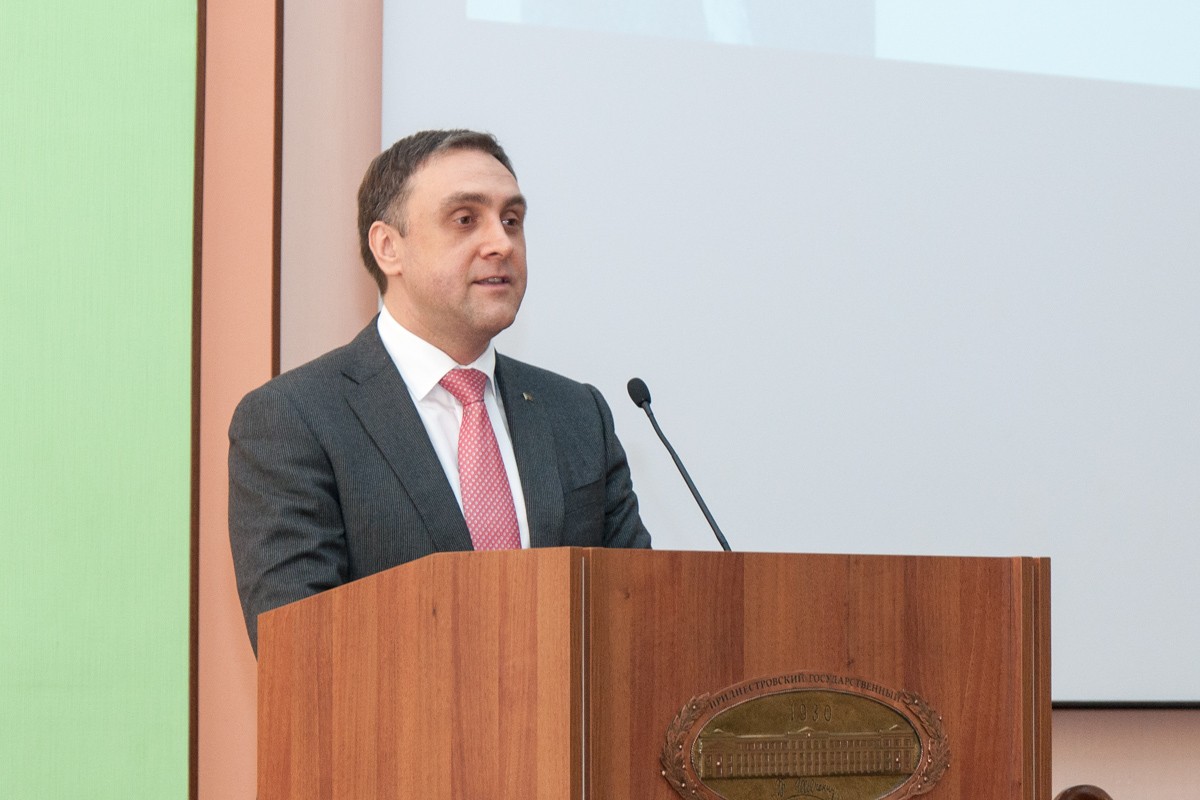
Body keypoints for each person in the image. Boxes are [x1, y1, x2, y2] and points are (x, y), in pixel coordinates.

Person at [228, 129, 651, 652]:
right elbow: (301, 655)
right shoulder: (294, 420)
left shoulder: (577, 413)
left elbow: (639, 613)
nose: (502, 243)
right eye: (466, 219)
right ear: (388, 247)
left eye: (511, 220)